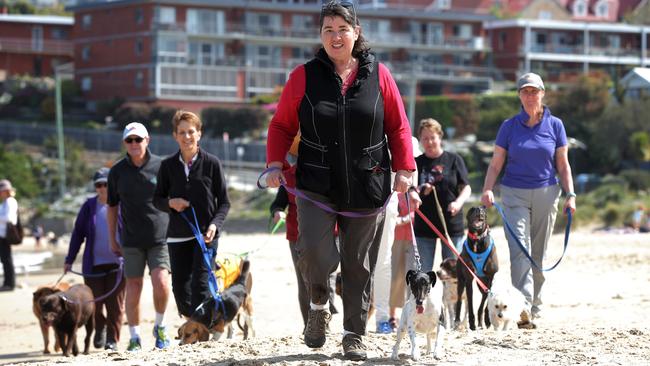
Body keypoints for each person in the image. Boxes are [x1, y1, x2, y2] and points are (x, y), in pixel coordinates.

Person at [265, 1, 418, 360]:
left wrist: (405, 169)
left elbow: (397, 125)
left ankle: (353, 334)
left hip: (368, 183)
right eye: (328, 30)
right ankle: (318, 306)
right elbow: (282, 125)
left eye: (342, 29)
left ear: (356, 32)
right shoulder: (303, 76)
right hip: (315, 184)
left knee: (357, 262)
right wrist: (275, 163)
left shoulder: (379, 75)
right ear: (321, 35)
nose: (336, 36)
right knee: (316, 253)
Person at [481, 72, 576, 321]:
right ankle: (522, 305)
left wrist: (571, 194)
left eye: (534, 91)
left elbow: (563, 165)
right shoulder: (509, 126)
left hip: (547, 191)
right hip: (514, 193)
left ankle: (536, 304)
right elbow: (496, 163)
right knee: (519, 250)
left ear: (543, 93)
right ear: (519, 96)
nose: (530, 95)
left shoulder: (556, 126)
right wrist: (488, 189)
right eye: (525, 91)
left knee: (538, 252)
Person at [153, 110, 230, 319]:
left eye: (191, 131)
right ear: (175, 136)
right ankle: (193, 323)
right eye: (182, 132)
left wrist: (215, 225)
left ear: (199, 134)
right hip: (177, 235)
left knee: (200, 284)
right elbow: (157, 199)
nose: (187, 136)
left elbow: (224, 203)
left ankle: (201, 328)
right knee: (180, 289)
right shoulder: (167, 166)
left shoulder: (212, 163)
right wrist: (171, 203)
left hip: (206, 236)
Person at [107, 122, 171, 351]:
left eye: (138, 139)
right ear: (125, 143)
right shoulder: (117, 171)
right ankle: (134, 337)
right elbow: (112, 206)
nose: (134, 144)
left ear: (147, 140)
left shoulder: (162, 166)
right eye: (129, 140)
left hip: (160, 237)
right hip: (131, 240)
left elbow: (173, 198)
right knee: (133, 287)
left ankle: (161, 327)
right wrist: (112, 238)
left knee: (161, 282)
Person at [64, 167, 126, 351]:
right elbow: (77, 235)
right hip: (94, 265)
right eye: (99, 184)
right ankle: (100, 329)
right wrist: (69, 259)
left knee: (115, 305)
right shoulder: (88, 206)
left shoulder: (123, 203)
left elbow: (133, 230)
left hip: (119, 264)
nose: (103, 188)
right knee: (95, 305)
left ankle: (112, 339)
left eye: (106, 184)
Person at [413, 118, 471, 272]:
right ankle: (423, 296)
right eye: (425, 138)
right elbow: (409, 190)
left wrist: (458, 203)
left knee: (453, 274)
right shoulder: (416, 163)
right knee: (423, 273)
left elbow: (466, 188)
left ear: (440, 137)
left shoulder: (454, 160)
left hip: (450, 225)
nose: (429, 142)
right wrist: (418, 191)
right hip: (424, 227)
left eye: (432, 137)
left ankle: (454, 297)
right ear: (420, 140)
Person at [0, 179, 18, 292]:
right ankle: (7, 283)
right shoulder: (5, 202)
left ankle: (10, 284)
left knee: (7, 259)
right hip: (2, 235)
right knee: (5, 259)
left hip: (5, 235)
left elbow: (10, 218)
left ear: (6, 191)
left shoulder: (10, 201)